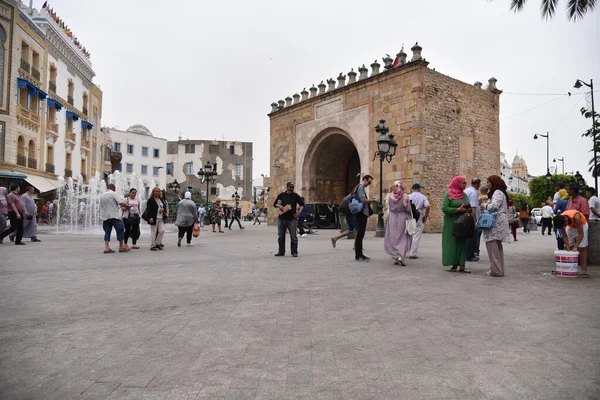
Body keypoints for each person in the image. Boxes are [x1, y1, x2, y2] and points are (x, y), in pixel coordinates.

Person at [481, 175, 511, 277]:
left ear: (493, 183)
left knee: (492, 246)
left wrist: (484, 205)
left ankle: (496, 270)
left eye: (489, 182)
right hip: (498, 222)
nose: (487, 184)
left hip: (495, 223)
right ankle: (498, 269)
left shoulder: (497, 192)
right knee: (496, 247)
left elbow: (494, 207)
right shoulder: (498, 192)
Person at [441, 176, 471, 273]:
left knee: (461, 243)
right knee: (452, 242)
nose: (465, 185)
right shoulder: (449, 194)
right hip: (451, 222)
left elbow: (469, 207)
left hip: (462, 223)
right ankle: (453, 265)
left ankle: (462, 265)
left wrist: (466, 208)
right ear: (457, 183)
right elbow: (444, 208)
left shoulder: (464, 195)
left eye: (465, 183)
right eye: (463, 183)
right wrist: (457, 209)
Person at [384, 181, 413, 265]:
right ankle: (401, 256)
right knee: (403, 237)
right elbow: (408, 209)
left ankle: (395, 256)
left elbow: (387, 207)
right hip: (402, 217)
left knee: (392, 236)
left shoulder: (389, 196)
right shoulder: (405, 197)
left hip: (392, 217)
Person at [273, 182, 304, 257]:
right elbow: (274, 204)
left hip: (291, 219)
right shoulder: (281, 195)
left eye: (293, 187)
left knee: (293, 236)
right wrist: (279, 206)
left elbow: (302, 204)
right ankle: (281, 251)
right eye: (290, 187)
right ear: (287, 187)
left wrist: (298, 213)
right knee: (281, 236)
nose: (291, 188)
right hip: (282, 218)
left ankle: (294, 252)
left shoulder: (295, 196)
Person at [555, 210, 589, 278]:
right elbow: (564, 236)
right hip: (571, 227)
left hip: (582, 225)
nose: (564, 226)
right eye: (563, 226)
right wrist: (567, 246)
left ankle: (584, 270)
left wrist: (576, 246)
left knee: (582, 247)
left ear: (566, 219)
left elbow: (581, 234)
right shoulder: (561, 220)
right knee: (567, 247)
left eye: (564, 225)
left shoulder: (576, 217)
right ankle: (566, 267)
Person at [99, 184, 129, 253]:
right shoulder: (113, 193)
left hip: (105, 217)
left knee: (107, 232)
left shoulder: (102, 195)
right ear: (113, 188)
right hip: (115, 216)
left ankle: (107, 247)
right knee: (120, 230)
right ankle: (121, 246)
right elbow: (121, 203)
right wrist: (128, 206)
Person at [353, 175, 376, 262]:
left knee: (360, 234)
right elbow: (363, 200)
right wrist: (373, 200)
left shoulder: (359, 187)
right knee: (360, 234)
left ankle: (359, 254)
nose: (369, 184)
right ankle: (359, 255)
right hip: (361, 213)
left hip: (361, 213)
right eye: (369, 182)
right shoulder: (361, 187)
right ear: (365, 180)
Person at [407, 183, 430, 259]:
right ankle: (413, 253)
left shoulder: (408, 196)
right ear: (418, 189)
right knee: (416, 236)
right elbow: (427, 206)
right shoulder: (423, 197)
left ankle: (406, 250)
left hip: (410, 216)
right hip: (419, 216)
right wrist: (426, 216)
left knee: (409, 235)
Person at [464, 178, 482, 262]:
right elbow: (473, 207)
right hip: (471, 218)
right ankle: (470, 256)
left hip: (465, 216)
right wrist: (474, 220)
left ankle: (466, 254)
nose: (480, 186)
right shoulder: (474, 193)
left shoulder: (467, 190)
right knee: (472, 238)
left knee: (467, 237)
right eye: (479, 184)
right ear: (476, 184)